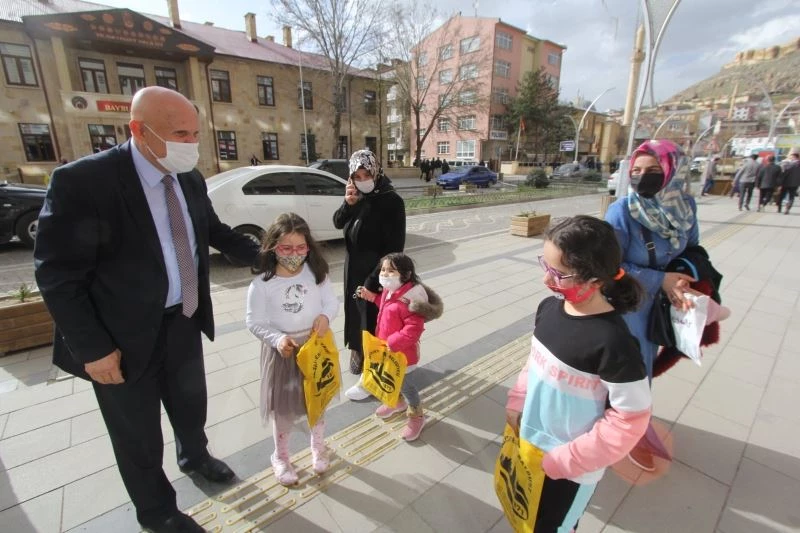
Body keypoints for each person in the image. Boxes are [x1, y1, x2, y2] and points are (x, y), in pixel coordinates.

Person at [34, 87, 260, 533]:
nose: (191, 144)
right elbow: (57, 276)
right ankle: (158, 512)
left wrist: (263, 254)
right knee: (137, 432)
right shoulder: (84, 182)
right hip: (118, 338)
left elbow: (211, 231)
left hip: (184, 320)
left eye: (195, 133)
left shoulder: (189, 178)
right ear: (139, 130)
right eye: (180, 133)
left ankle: (194, 456)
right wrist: (92, 349)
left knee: (190, 403)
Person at [505, 215, 651, 532]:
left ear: (595, 280)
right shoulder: (548, 309)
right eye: (545, 266)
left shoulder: (614, 344)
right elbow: (534, 363)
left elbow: (630, 419)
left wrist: (568, 460)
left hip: (570, 469)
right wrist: (518, 400)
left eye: (559, 274)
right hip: (529, 446)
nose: (547, 281)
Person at [604, 139, 700, 472]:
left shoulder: (685, 206)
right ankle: (629, 433)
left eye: (653, 170)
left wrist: (684, 279)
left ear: (672, 171)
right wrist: (661, 280)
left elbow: (694, 252)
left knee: (644, 368)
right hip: (629, 306)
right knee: (633, 371)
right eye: (637, 171)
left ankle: (624, 423)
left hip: (662, 306)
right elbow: (609, 268)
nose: (643, 177)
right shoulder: (622, 212)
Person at [245, 212, 339, 486]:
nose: (294, 254)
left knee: (317, 402)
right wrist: (276, 339)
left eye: (301, 247)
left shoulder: (317, 273)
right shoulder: (262, 284)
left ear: (308, 247)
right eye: (286, 248)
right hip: (283, 355)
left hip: (314, 350)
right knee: (283, 411)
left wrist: (325, 317)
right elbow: (254, 321)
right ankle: (281, 456)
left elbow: (330, 303)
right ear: (273, 247)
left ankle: (318, 447)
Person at [333, 150, 406, 400]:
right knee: (353, 313)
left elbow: (395, 249)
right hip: (352, 269)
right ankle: (356, 349)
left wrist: (373, 282)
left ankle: (374, 358)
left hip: (375, 273)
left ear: (376, 171)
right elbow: (337, 222)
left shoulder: (391, 201)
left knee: (373, 318)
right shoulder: (356, 196)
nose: (363, 179)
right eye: (357, 175)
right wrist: (347, 203)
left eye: (367, 174)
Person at [356, 253, 442, 441]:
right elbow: (386, 306)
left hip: (404, 354)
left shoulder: (412, 300)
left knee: (406, 385)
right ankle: (396, 403)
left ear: (405, 274)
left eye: (391, 270)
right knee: (391, 379)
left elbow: (414, 329)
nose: (385, 274)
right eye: (384, 269)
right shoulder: (390, 291)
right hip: (388, 350)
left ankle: (417, 416)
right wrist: (371, 297)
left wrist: (393, 343)